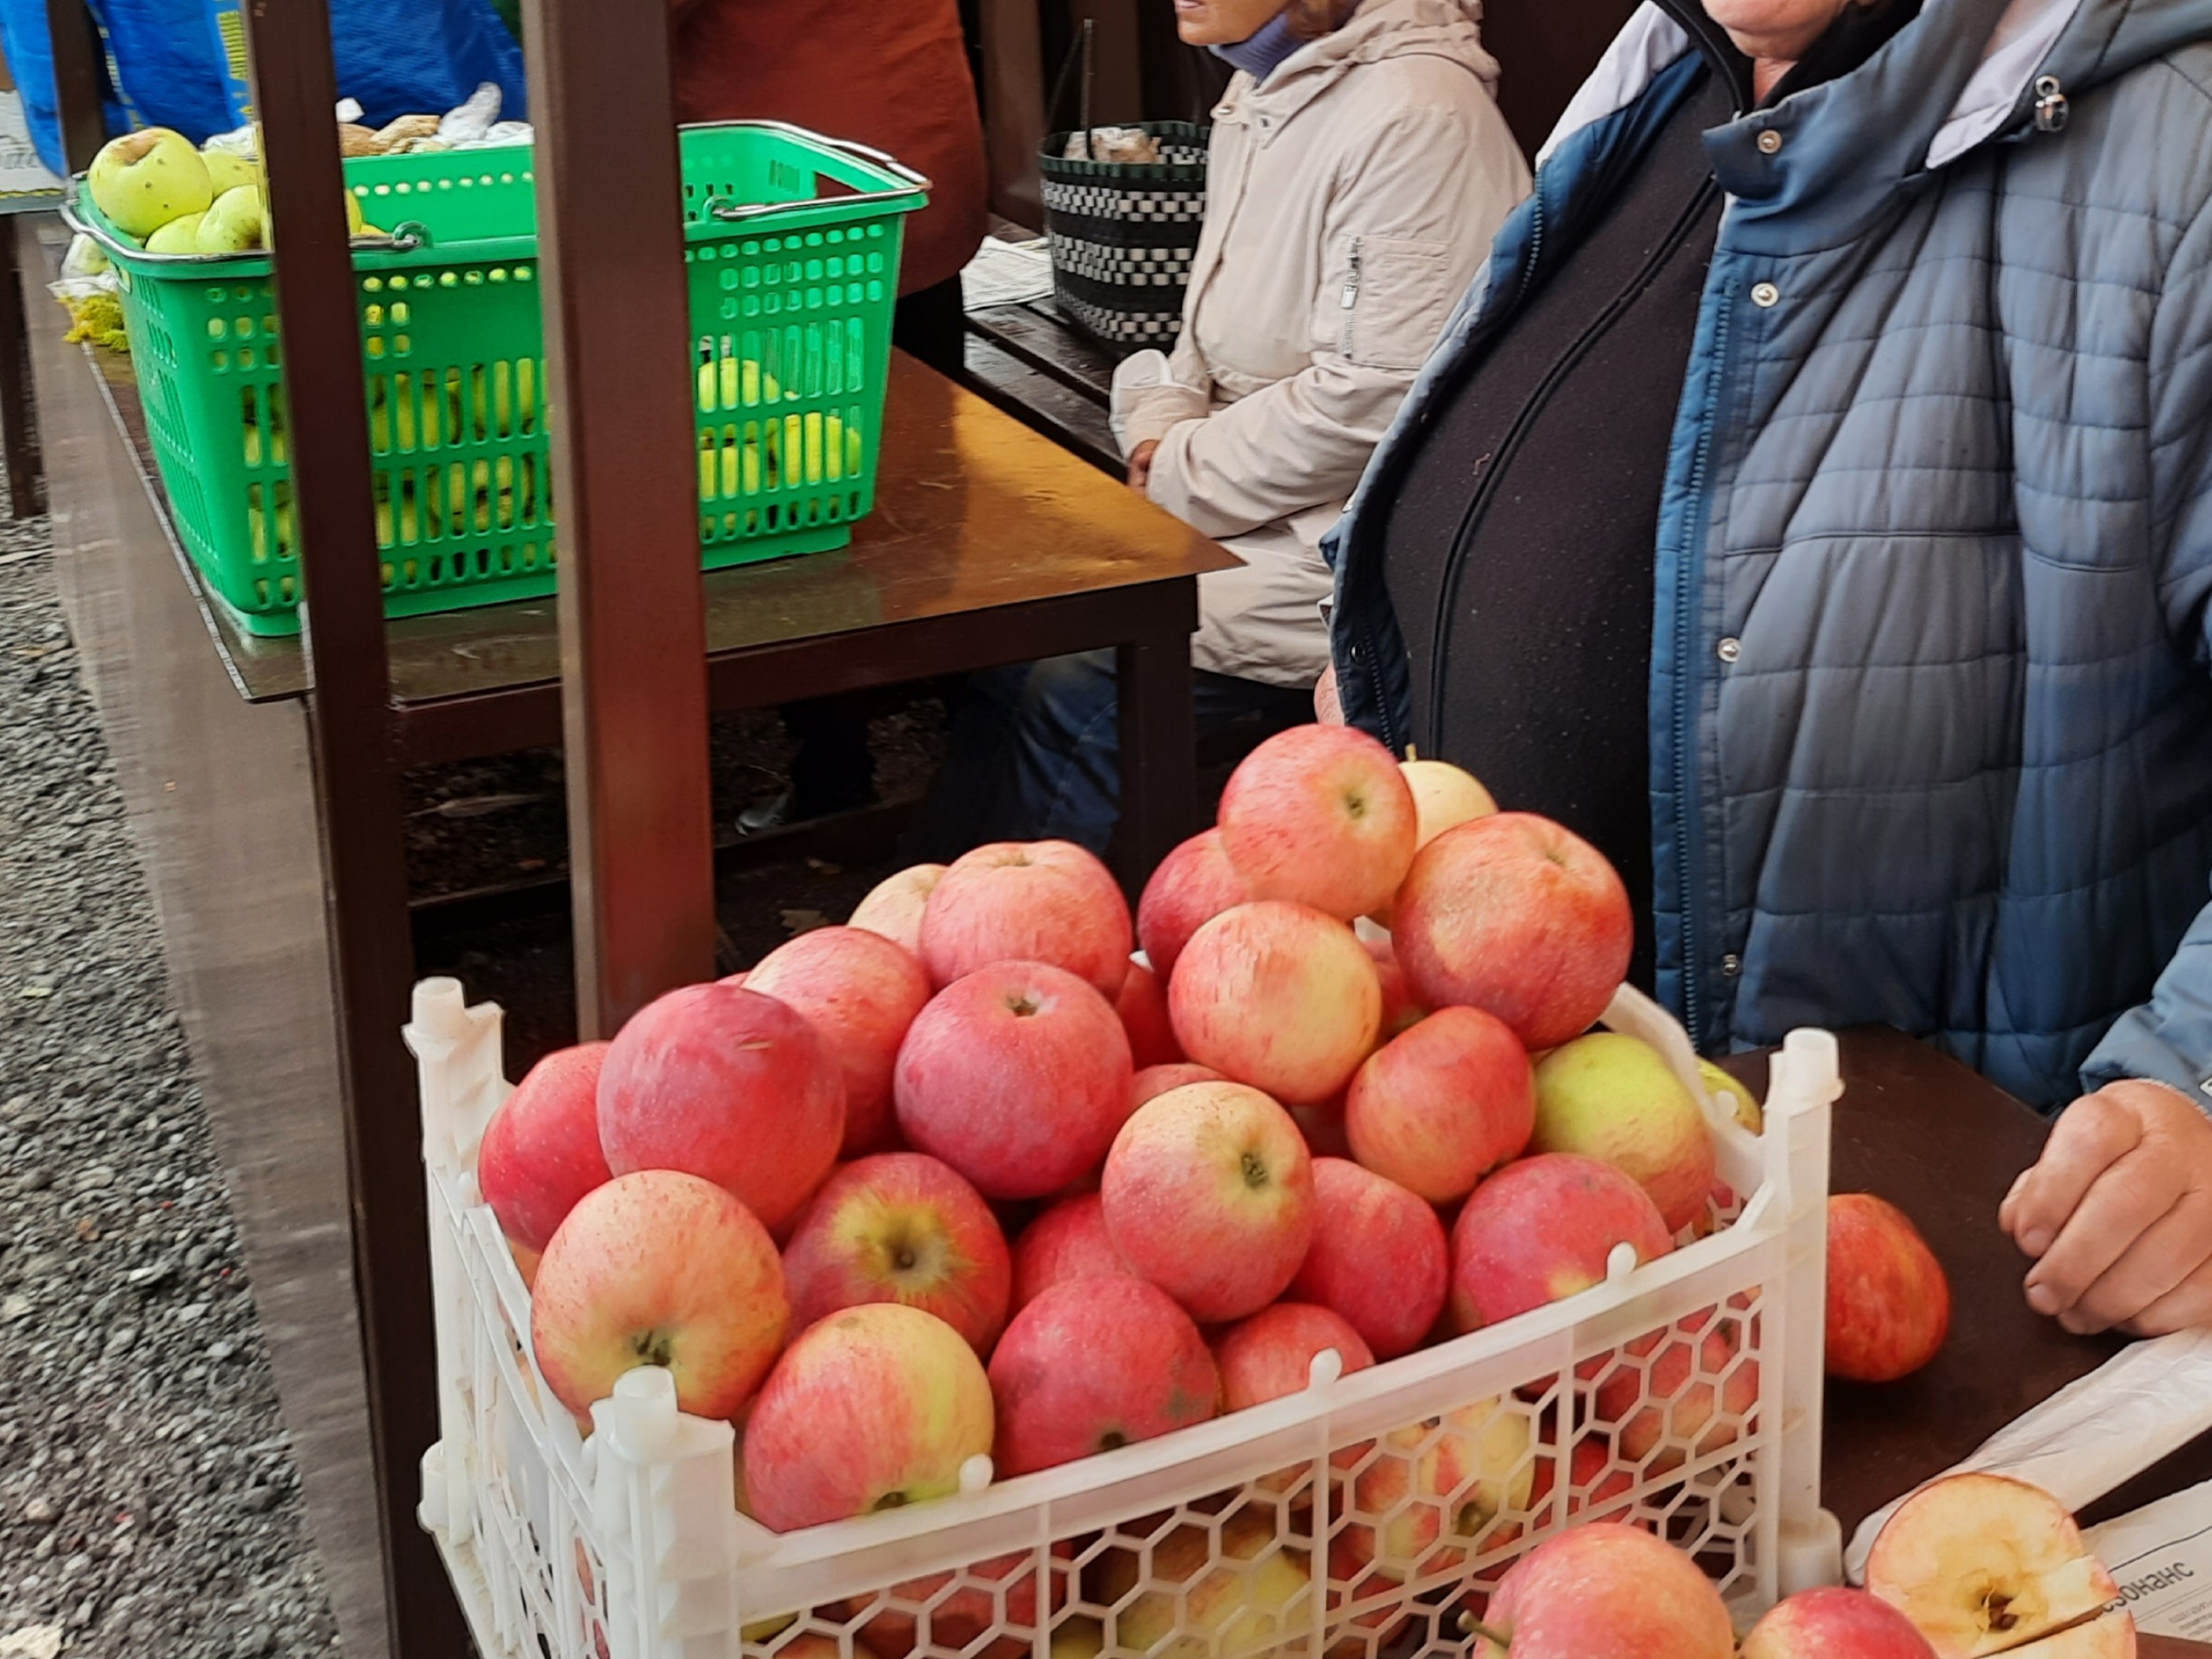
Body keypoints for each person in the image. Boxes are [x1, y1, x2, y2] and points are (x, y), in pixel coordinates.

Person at [1322, 0, 2212, 1336]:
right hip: (1548, 1237)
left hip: (1934, 1301)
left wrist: (2199, 1091)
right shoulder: (1667, 71)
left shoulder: (2178, 154)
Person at [915, 0, 1529, 855]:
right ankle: (933, 920)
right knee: (1018, 642)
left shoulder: (1417, 117)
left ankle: (1056, 960)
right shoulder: (1264, 85)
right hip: (1261, 506)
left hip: (1355, 548)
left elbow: (1376, 402)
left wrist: (1175, 469)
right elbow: (1202, 344)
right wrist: (1164, 428)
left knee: (1083, 678)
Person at [672, 0, 991, 829]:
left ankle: (833, 763)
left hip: (794, 196)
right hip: (910, 159)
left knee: (792, 482)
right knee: (924, 462)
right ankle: (978, 720)